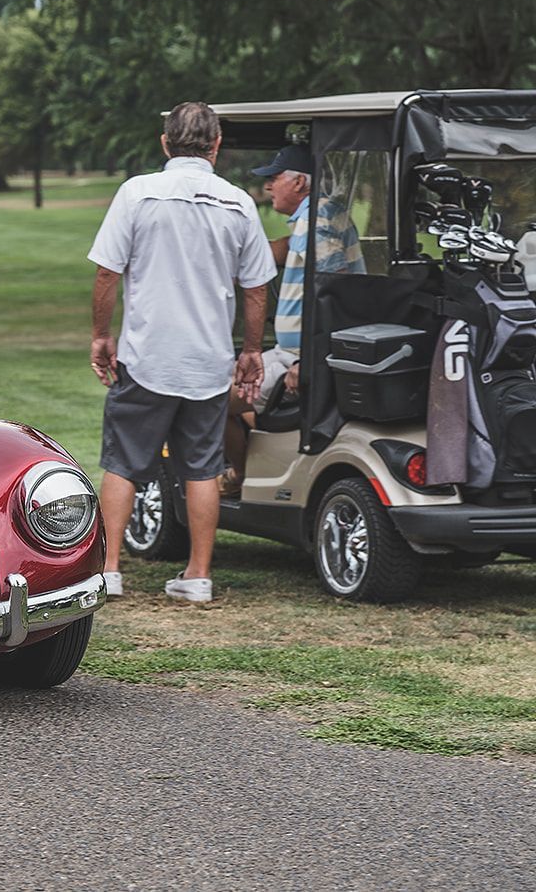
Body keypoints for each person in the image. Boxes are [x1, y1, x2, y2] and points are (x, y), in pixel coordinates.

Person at [89, 102, 276, 603]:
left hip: (146, 354)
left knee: (124, 461)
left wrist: (101, 335)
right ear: (216, 146)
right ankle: (197, 575)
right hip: (208, 363)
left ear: (165, 143)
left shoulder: (136, 193)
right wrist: (252, 350)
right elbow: (256, 287)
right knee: (202, 467)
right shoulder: (239, 203)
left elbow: (108, 272)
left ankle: (108, 569)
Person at [223, 144, 366, 484]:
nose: (268, 187)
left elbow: (334, 292)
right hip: (290, 353)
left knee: (208, 400)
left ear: (300, 182)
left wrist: (309, 360)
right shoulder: (315, 218)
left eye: (274, 179)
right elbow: (285, 249)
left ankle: (239, 476)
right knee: (215, 382)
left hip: (300, 356)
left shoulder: (319, 222)